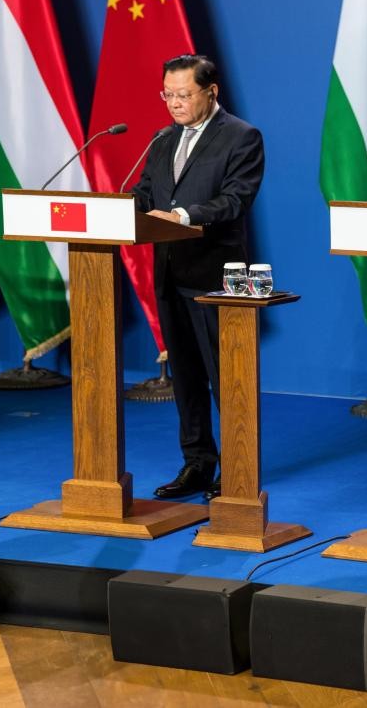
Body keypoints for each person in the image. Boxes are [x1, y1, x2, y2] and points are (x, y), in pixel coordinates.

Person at [133, 54, 265, 501]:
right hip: (170, 272)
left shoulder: (242, 137)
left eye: (184, 94)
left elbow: (235, 200)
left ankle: (238, 465)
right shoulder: (163, 139)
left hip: (216, 274)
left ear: (212, 91)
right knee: (186, 378)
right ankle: (197, 463)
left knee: (225, 377)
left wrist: (182, 215)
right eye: (167, 95)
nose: (174, 103)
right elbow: (146, 192)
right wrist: (115, 209)